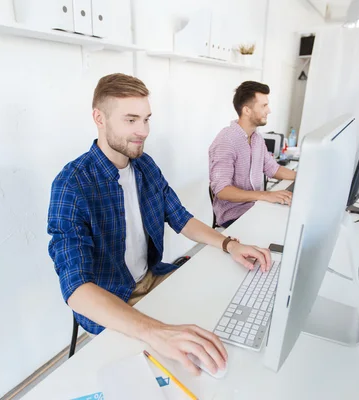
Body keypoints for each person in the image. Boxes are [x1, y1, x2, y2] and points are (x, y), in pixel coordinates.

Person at [47, 73, 273, 376]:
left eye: (146, 119)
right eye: (131, 120)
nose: (143, 131)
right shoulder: (72, 184)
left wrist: (229, 244)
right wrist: (155, 332)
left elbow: (180, 217)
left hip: (153, 279)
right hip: (113, 301)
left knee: (225, 315)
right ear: (98, 118)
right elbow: (76, 288)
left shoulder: (144, 166)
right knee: (180, 365)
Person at [209, 81, 297, 228]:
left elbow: (272, 168)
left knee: (292, 217)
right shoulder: (226, 141)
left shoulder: (257, 139)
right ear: (247, 110)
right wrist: (265, 195)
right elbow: (222, 190)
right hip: (234, 215)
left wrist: (303, 178)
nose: (269, 110)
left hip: (255, 207)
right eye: (264, 106)